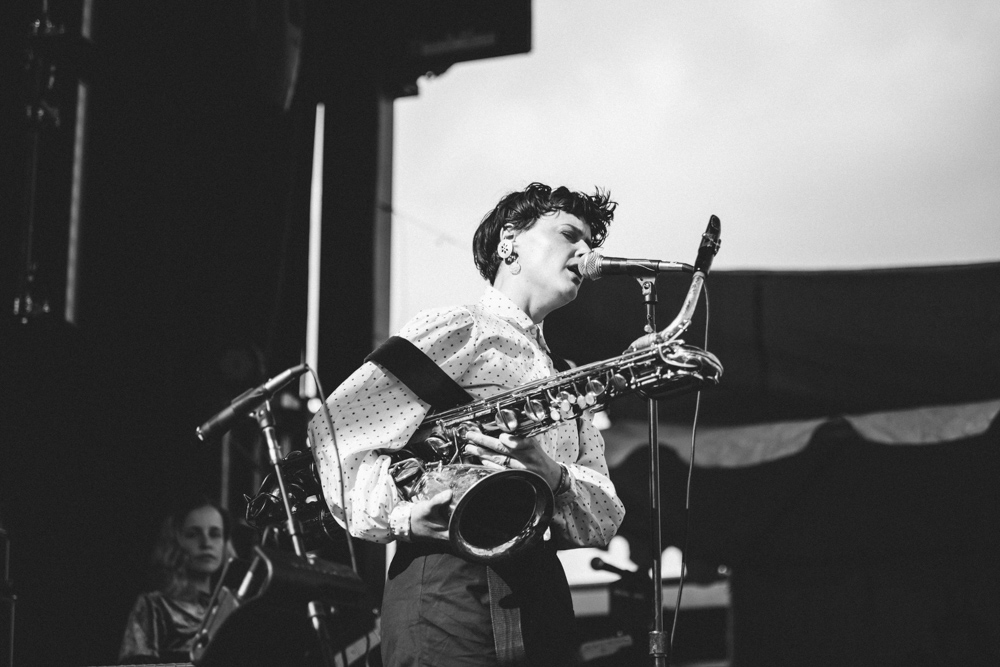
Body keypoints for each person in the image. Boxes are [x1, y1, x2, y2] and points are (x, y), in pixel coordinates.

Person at [309, 182, 627, 666]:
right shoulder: (458, 329)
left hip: (541, 592)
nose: (585, 252)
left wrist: (550, 471)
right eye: (568, 235)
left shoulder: (566, 379)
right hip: (445, 585)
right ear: (509, 243)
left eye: (591, 243)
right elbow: (336, 432)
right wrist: (402, 517)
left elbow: (604, 515)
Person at [118, 495, 236, 664]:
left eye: (215, 534)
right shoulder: (155, 604)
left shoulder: (235, 609)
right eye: (193, 534)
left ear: (225, 543)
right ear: (175, 542)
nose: (206, 543)